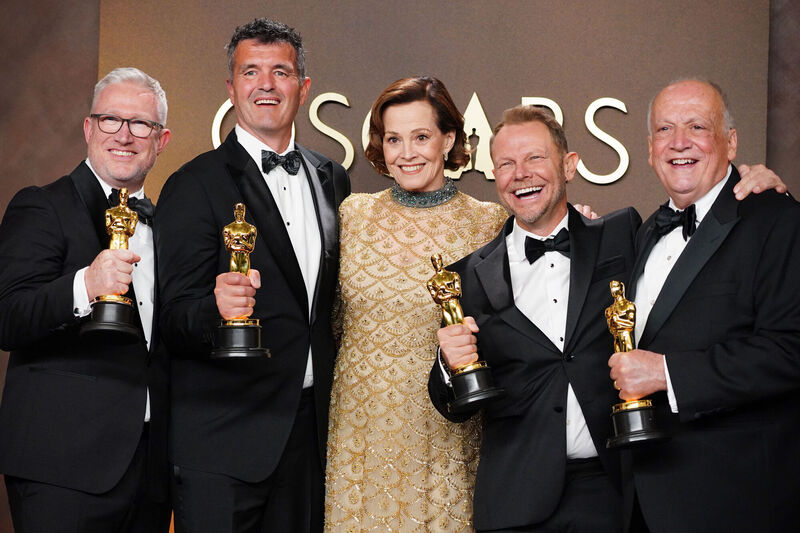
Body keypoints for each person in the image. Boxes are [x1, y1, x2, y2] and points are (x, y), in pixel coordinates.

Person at [428, 104, 786, 532]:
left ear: (569, 166)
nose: (520, 173)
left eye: (535, 158)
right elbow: (452, 406)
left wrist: (751, 182)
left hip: (619, 492)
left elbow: (703, 233)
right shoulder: (466, 275)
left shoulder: (626, 235)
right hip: (515, 500)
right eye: (506, 163)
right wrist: (448, 366)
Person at [154, 18, 349, 533]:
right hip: (223, 442)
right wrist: (213, 309)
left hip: (311, 439)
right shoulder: (193, 184)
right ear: (231, 87)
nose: (266, 84)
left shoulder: (332, 178)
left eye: (280, 71)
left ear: (303, 88)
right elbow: (173, 319)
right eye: (251, 72)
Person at [608, 79, 800, 533]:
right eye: (665, 130)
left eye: (698, 126)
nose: (679, 143)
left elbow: (791, 350)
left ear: (730, 142)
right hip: (643, 503)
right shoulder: (648, 229)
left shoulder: (778, 220)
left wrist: (667, 374)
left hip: (737, 503)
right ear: (650, 148)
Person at [324, 77, 507, 532]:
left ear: (448, 139)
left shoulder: (490, 222)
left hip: (445, 431)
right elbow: (329, 323)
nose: (406, 152)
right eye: (393, 139)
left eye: (421, 137)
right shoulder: (352, 214)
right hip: (358, 428)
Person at [0, 67, 172, 532]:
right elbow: (8, 317)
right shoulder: (42, 205)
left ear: (161, 140)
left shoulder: (171, 226)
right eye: (111, 120)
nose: (125, 135)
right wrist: (84, 285)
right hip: (62, 469)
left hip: (151, 471)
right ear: (88, 128)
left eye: (141, 124)